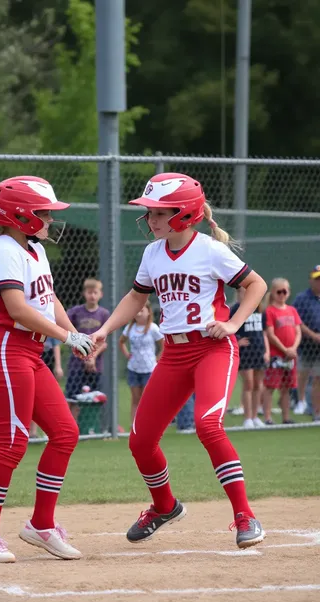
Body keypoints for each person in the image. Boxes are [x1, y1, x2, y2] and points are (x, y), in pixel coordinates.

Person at [91, 172, 267, 549]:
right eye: (149, 212)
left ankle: (245, 515)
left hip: (211, 349)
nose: (150, 219)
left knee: (207, 425)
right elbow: (137, 298)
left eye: (158, 212)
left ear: (185, 214)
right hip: (173, 353)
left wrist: (233, 322)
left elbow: (256, 285)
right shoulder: (153, 253)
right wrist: (104, 330)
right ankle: (164, 506)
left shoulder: (210, 250)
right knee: (140, 441)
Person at [0, 175, 94, 564]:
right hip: (7, 349)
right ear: (19, 215)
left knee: (65, 433)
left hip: (29, 351)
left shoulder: (33, 249)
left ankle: (42, 525)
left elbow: (48, 297)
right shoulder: (4, 250)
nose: (48, 220)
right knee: (13, 444)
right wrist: (64, 336)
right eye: (43, 213)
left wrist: (74, 334)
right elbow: (19, 309)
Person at [65, 278, 110, 417]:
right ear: (84, 293)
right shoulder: (75, 312)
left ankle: (92, 428)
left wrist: (92, 357)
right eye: (89, 292)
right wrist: (83, 354)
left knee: (95, 396)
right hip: (76, 363)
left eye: (95, 292)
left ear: (100, 294)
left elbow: (104, 342)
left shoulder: (103, 314)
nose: (92, 296)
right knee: (72, 397)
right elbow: (67, 332)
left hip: (95, 364)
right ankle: (71, 426)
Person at [263, 278, 302, 425]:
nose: (282, 294)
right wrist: (284, 349)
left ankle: (286, 417)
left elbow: (298, 332)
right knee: (271, 386)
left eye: (285, 291)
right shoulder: (270, 311)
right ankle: (267, 417)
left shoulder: (292, 310)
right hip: (276, 356)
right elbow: (270, 334)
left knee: (286, 388)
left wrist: (292, 349)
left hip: (290, 356)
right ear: (273, 293)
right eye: (279, 292)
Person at [229, 287, 270, 428]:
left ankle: (255, 417)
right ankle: (247, 418)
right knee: (249, 384)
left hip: (259, 351)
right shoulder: (234, 310)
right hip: (245, 352)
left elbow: (264, 333)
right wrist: (237, 342)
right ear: (238, 293)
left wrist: (267, 351)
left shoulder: (259, 309)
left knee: (258, 385)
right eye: (243, 291)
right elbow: (228, 330)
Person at [119, 301, 163, 423]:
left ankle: (147, 423)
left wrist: (157, 358)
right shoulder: (130, 328)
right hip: (133, 368)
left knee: (147, 399)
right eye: (136, 311)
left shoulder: (153, 328)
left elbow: (164, 345)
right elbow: (121, 341)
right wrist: (127, 354)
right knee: (135, 399)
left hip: (149, 369)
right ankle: (134, 425)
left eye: (141, 310)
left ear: (148, 312)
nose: (138, 314)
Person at [292, 266, 320, 421]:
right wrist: (313, 335)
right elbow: (298, 322)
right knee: (302, 374)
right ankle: (300, 401)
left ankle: (316, 411)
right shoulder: (302, 298)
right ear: (311, 280)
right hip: (305, 345)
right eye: (317, 279)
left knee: (318, 378)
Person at [30, 337, 63, 438]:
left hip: (48, 358)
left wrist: (58, 366)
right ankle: (32, 433)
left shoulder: (50, 322)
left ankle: (49, 431)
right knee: (31, 395)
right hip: (32, 356)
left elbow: (56, 345)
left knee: (49, 397)